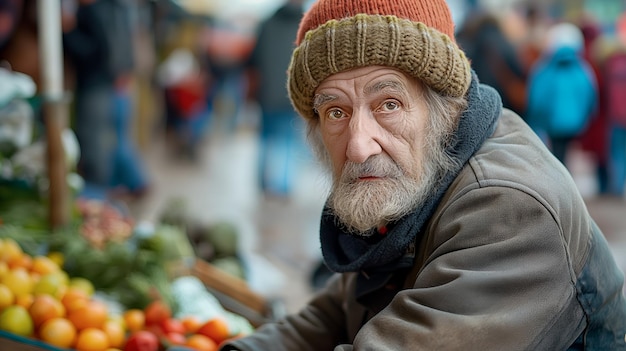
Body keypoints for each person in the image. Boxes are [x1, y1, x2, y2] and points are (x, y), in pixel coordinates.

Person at [220, 0, 626, 349]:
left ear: (443, 108)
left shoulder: (508, 208)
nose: (359, 145)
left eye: (389, 104)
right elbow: (336, 311)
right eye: (336, 112)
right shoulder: (417, 174)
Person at [247, 0, 309, 198]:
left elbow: (253, 60)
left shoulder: (266, 24)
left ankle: (266, 185)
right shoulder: (308, 26)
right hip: (293, 94)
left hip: (267, 94)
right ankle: (281, 187)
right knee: (288, 140)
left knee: (267, 139)